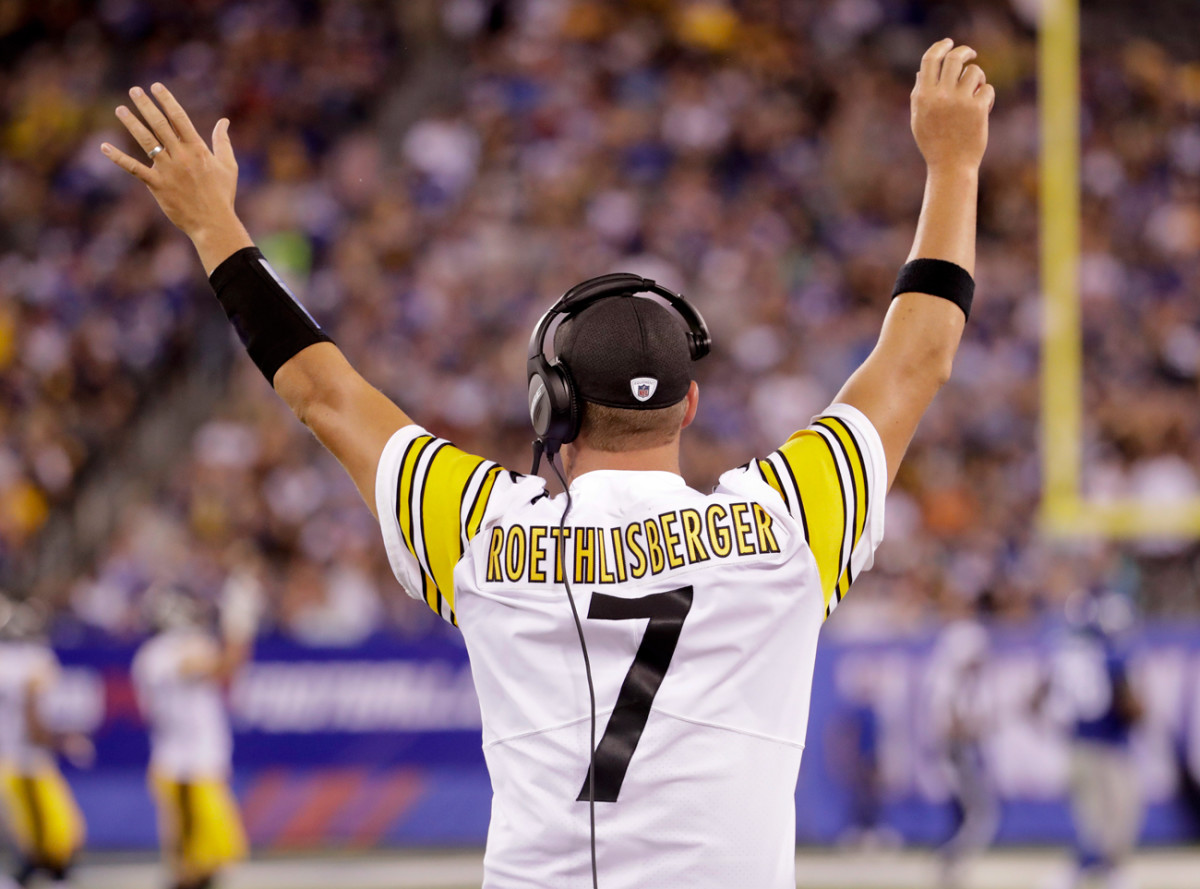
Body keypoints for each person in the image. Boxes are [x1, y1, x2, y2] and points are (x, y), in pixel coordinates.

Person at [100, 36, 993, 889]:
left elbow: (323, 391)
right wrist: (953, 165)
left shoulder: (486, 532)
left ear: (550, 405)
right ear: (689, 403)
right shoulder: (789, 519)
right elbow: (920, 354)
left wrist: (215, 225)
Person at [131, 574, 259, 889]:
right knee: (193, 862)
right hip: (186, 768)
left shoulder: (151, 655)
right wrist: (239, 626)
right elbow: (224, 665)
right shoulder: (165, 652)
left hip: (184, 763)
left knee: (204, 860)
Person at [1039, 593, 1144, 889]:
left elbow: (1045, 695)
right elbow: (1132, 707)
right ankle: (1087, 871)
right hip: (1109, 747)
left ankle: (1096, 871)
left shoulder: (1070, 654)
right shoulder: (1112, 658)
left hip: (1080, 745)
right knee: (1115, 818)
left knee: (1098, 821)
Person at [0, 597, 90, 889]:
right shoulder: (31, 662)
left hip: (18, 759)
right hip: (25, 761)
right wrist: (62, 741)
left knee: (47, 835)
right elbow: (32, 724)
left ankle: (36, 877)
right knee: (54, 835)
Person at [926, 620, 1000, 888]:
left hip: (964, 754)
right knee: (981, 815)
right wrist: (973, 729)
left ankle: (951, 864)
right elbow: (950, 728)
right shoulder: (948, 682)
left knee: (966, 816)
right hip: (957, 755)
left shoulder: (969, 684)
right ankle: (949, 857)